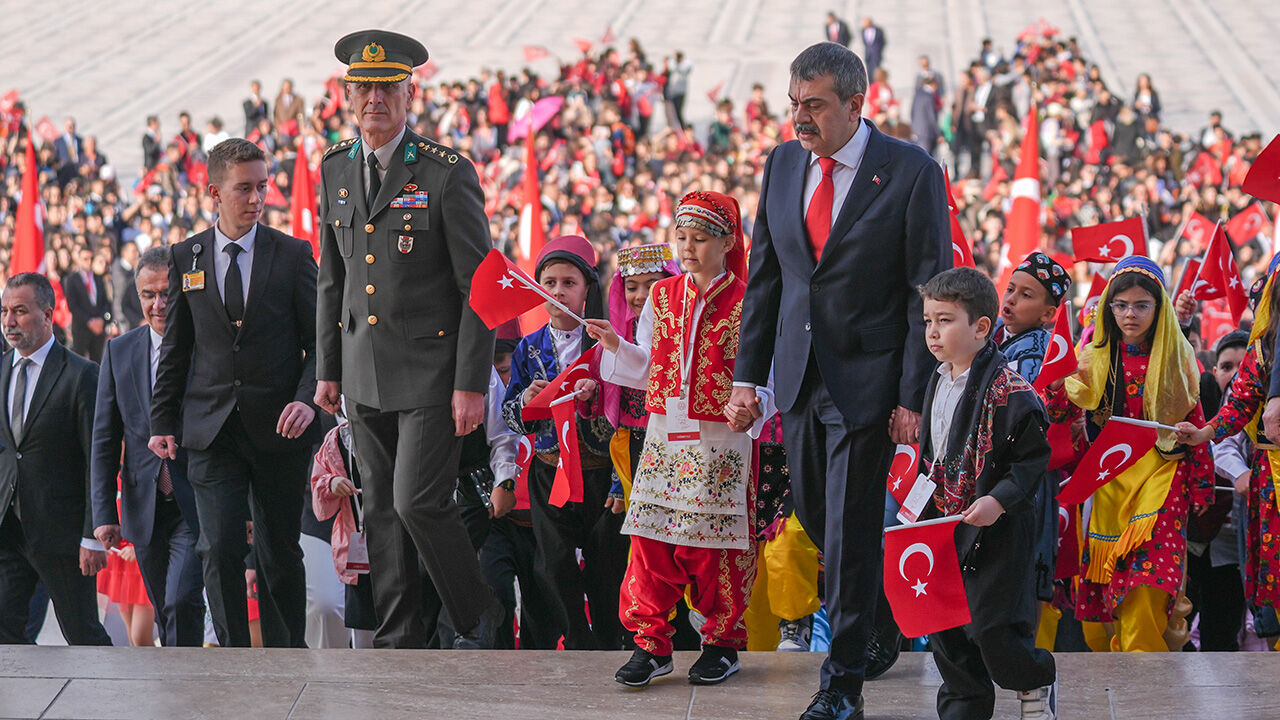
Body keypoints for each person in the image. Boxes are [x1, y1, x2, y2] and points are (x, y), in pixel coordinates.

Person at [730, 42, 949, 720]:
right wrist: (748, 378)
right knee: (824, 522)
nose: (800, 117)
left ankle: (842, 681)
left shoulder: (911, 172)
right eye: (794, 103)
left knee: (852, 530)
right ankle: (879, 619)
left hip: (870, 381)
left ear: (857, 104)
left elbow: (927, 291)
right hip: (798, 379)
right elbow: (766, 278)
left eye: (815, 105)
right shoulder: (783, 162)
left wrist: (914, 396)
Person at [314, 29, 502, 650]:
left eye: (387, 87)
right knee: (384, 514)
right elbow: (332, 278)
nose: (375, 99)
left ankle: (479, 621)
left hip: (431, 373)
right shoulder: (337, 166)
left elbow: (481, 285)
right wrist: (328, 368)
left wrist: (471, 383)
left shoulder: (448, 173)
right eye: (364, 87)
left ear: (409, 94)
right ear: (347, 94)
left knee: (418, 503)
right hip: (364, 374)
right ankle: (400, 640)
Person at [589, 192, 771, 686]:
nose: (689, 248)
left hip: (723, 441)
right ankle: (651, 643)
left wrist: (754, 406)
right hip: (665, 436)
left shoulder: (752, 301)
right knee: (650, 538)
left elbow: (767, 374)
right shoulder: (664, 295)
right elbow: (650, 364)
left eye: (701, 238)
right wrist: (616, 346)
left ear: (729, 241)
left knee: (718, 545)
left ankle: (720, 643)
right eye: (683, 238)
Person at [150, 138, 320, 648]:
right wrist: (162, 421)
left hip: (278, 427)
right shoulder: (186, 257)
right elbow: (176, 348)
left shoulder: (292, 255)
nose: (256, 198)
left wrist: (306, 400)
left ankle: (287, 658)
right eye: (243, 188)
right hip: (211, 429)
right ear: (213, 192)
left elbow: (320, 344)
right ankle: (233, 659)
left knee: (278, 552)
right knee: (218, 546)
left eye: (262, 187)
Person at [1047, 256, 1212, 652]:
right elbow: (1057, 410)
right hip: (1106, 478)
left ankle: (1145, 685)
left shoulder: (1178, 360)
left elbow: (1195, 423)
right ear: (1108, 308)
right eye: (1120, 305)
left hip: (1163, 478)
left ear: (1159, 309)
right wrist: (1055, 378)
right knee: (1101, 606)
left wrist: (1202, 484)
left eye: (1141, 305)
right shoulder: (1092, 358)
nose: (1129, 314)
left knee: (1148, 584)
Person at [917, 267, 1057, 720]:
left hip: (996, 530)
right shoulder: (937, 380)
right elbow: (932, 452)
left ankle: (1033, 680)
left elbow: (1032, 460)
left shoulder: (1012, 391)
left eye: (945, 320)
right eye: (928, 321)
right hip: (943, 523)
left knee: (992, 628)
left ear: (981, 327)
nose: (933, 332)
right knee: (945, 625)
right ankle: (964, 705)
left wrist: (998, 499)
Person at [500, 235, 627, 650]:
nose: (557, 291)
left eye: (569, 282)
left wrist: (594, 403)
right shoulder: (527, 348)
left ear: (588, 288)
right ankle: (577, 642)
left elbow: (627, 414)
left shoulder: (608, 344)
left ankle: (610, 644)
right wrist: (527, 400)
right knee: (553, 565)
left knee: (607, 568)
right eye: (549, 282)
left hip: (600, 475)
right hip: (549, 472)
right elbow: (510, 416)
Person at [91, 245, 204, 647]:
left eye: (166, 294)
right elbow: (105, 438)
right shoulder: (119, 351)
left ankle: (187, 689)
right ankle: (182, 691)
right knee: (163, 608)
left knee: (182, 600)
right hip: (144, 508)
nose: (158, 304)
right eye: (148, 295)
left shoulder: (206, 346)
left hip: (197, 496)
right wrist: (104, 512)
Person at [0, 272, 112, 645]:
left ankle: (113, 702)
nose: (9, 322)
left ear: (48, 314)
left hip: (63, 536)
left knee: (83, 634)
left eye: (20, 311)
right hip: (8, 531)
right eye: (4, 311)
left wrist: (92, 536)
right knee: (6, 633)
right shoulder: (1, 370)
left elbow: (97, 459)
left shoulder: (81, 375)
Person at [599, 243, 680, 515]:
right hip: (632, 447)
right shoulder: (615, 335)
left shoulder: (684, 329)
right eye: (632, 287)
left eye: (652, 285)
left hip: (677, 443)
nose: (641, 296)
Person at [995, 252, 1071, 383]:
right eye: (1010, 289)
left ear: (1047, 314)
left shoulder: (1035, 349)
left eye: (1026, 295)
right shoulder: (992, 325)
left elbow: (1016, 391)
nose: (1011, 299)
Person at [64, 245, 111, 362]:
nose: (89, 262)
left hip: (99, 330)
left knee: (97, 363)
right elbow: (73, 306)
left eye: (91, 259)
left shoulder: (99, 278)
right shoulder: (71, 280)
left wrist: (102, 320)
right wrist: (89, 321)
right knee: (78, 363)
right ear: (78, 260)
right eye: (85, 259)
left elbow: (106, 302)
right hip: (81, 328)